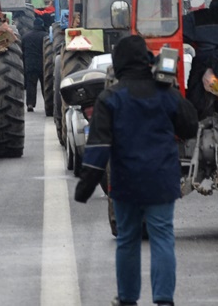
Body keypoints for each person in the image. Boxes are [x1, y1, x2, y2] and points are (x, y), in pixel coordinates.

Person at [74, 35, 198, 306]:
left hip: (126, 182)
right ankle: (164, 299)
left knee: (128, 239)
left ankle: (128, 298)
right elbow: (190, 127)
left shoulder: (109, 98)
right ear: (148, 61)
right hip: (162, 181)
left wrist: (86, 185)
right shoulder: (165, 93)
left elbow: (98, 146)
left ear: (118, 64)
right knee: (162, 236)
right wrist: (172, 88)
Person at [21, 17, 48, 112]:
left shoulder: (25, 36)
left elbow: (22, 51)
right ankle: (47, 104)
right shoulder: (45, 36)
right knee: (45, 85)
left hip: (30, 65)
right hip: (43, 64)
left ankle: (30, 104)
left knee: (30, 85)